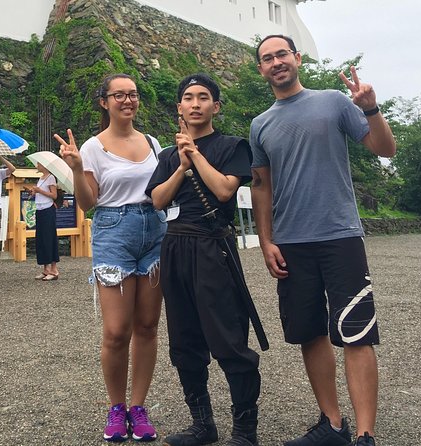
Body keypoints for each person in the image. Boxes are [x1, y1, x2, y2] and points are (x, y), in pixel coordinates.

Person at [250, 35, 396, 446]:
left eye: (282, 54)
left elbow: (385, 149)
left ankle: (365, 435)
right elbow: (261, 185)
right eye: (267, 58)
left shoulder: (333, 101)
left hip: (340, 235)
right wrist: (266, 240)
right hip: (291, 243)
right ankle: (332, 424)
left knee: (356, 332)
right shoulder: (260, 124)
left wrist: (370, 109)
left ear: (297, 59)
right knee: (310, 333)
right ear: (260, 69)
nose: (276, 62)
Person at [146, 73, 261, 446]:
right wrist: (180, 165)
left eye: (203, 97)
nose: (195, 103)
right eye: (188, 98)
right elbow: (159, 200)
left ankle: (245, 431)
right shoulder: (167, 155)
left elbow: (226, 189)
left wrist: (194, 154)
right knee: (184, 339)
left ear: (216, 106)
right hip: (175, 246)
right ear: (179, 107)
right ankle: (203, 425)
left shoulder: (232, 146)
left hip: (213, 246)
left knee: (227, 338)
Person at [54, 73, 166, 442]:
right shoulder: (92, 147)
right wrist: (74, 168)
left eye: (132, 94)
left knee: (148, 326)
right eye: (119, 95)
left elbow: (162, 190)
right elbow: (88, 204)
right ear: (104, 101)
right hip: (114, 232)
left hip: (155, 229)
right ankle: (116, 408)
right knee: (117, 331)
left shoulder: (152, 142)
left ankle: (139, 406)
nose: (127, 100)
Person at [27, 162, 60, 281]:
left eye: (39, 164)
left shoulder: (51, 177)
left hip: (48, 210)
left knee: (49, 237)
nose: (37, 165)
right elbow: (40, 192)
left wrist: (40, 191)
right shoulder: (41, 178)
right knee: (40, 238)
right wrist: (34, 192)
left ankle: (54, 269)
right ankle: (46, 268)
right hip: (39, 209)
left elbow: (54, 195)